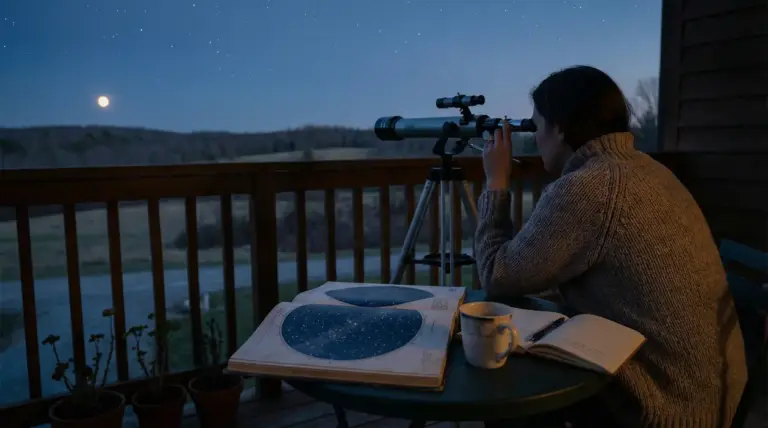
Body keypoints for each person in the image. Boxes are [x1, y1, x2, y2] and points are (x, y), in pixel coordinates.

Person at [475, 65, 748, 427]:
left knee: (504, 382)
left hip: (664, 407)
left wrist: (496, 182)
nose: (535, 138)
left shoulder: (591, 187)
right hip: (714, 394)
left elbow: (498, 275)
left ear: (559, 127)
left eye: (536, 126)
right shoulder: (649, 169)